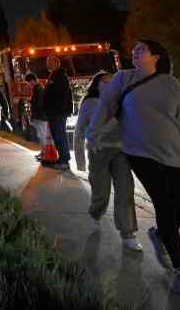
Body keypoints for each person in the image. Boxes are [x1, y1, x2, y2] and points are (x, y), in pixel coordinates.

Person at [92, 40, 180, 298]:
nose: (136, 52)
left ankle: (160, 235)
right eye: (135, 49)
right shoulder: (123, 78)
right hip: (140, 152)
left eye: (142, 49)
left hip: (176, 153)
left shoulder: (172, 83)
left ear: (156, 56)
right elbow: (105, 105)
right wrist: (93, 133)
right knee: (163, 203)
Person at [74, 71, 142, 251]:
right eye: (103, 81)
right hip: (99, 152)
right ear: (95, 85)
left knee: (125, 191)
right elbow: (80, 129)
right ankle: (95, 212)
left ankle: (128, 233)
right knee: (101, 192)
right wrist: (80, 158)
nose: (107, 84)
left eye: (111, 81)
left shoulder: (123, 102)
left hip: (121, 151)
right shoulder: (89, 103)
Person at [43, 57, 74, 171]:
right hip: (55, 112)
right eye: (47, 63)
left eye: (49, 63)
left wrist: (58, 110)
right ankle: (62, 159)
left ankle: (64, 160)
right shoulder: (54, 75)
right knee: (58, 136)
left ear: (56, 63)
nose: (47, 65)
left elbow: (61, 96)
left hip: (58, 113)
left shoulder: (59, 76)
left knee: (60, 136)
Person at [27, 72, 49, 159]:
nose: (28, 85)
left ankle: (45, 153)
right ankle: (43, 152)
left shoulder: (38, 89)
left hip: (40, 117)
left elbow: (38, 105)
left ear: (32, 81)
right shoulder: (38, 88)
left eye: (28, 83)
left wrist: (32, 116)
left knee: (42, 135)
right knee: (41, 135)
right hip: (41, 117)